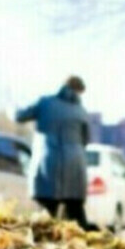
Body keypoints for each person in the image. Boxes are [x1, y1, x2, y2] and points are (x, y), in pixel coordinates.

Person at [16, 76, 91, 229]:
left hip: (48, 163)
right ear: (79, 91)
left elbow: (19, 116)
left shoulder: (45, 103)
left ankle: (45, 247)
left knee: (46, 218)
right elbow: (86, 140)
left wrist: (11, 106)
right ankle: (84, 248)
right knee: (76, 216)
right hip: (75, 166)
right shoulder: (81, 111)